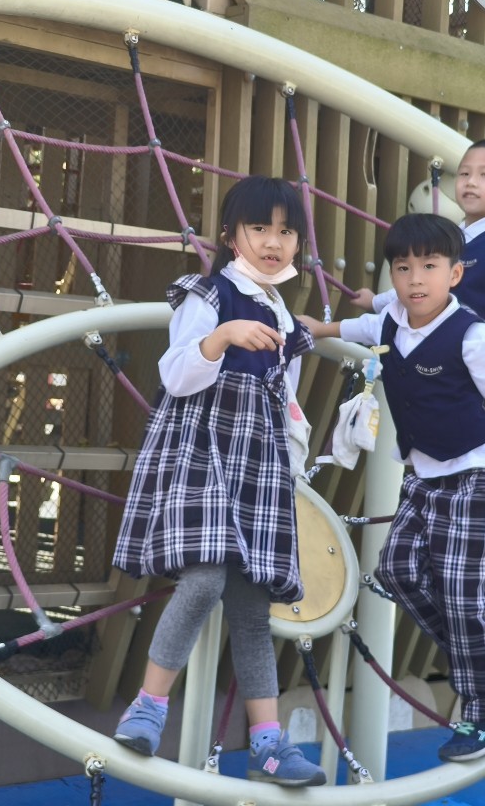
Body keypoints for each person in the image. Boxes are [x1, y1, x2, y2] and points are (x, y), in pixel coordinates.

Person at [111, 176, 326, 787]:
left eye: (286, 232)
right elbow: (176, 375)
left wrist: (374, 328)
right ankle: (148, 706)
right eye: (259, 228)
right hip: (203, 450)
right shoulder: (209, 296)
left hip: (259, 460)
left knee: (253, 606)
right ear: (231, 235)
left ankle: (268, 741)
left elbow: (288, 386)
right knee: (204, 579)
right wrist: (222, 336)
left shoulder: (279, 311)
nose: (273, 243)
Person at [300, 212, 485, 762]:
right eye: (403, 268)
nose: (416, 279)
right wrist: (315, 329)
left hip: (477, 475)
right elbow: (355, 328)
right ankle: (478, 655)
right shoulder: (390, 322)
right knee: (397, 571)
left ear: (455, 274)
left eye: (429, 266)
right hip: (425, 476)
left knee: (464, 593)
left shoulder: (473, 336)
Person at [352, 139, 485, 635]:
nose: (470, 181)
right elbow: (429, 293)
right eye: (465, 172)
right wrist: (376, 302)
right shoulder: (455, 240)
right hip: (459, 370)